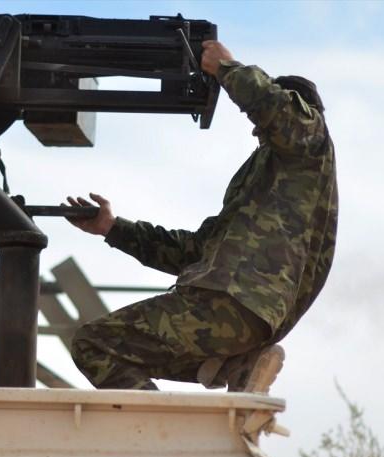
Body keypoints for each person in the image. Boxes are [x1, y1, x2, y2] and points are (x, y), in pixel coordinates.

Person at [64, 41, 338, 391]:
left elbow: (277, 109)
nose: (257, 132)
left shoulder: (311, 138)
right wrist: (113, 228)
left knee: (94, 344)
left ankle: (159, 423)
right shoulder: (266, 186)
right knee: (126, 354)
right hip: (241, 317)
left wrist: (226, 68)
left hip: (230, 301)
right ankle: (237, 366)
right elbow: (195, 250)